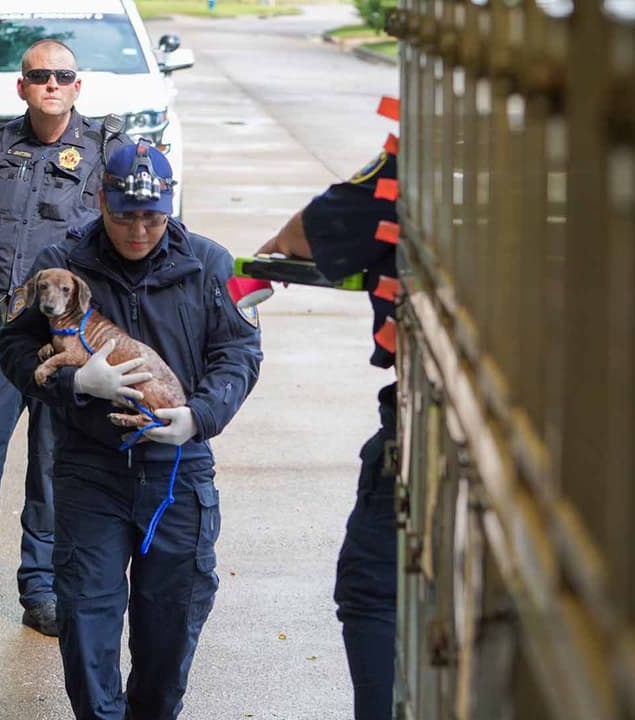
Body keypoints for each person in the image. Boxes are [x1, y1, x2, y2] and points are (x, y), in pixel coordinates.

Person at [0, 142, 263, 719]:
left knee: (172, 617)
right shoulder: (62, 262)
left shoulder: (211, 264)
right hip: (90, 468)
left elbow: (239, 354)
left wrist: (201, 416)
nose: (138, 231)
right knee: (87, 614)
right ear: (100, 202)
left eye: (151, 217)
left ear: (169, 205)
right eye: (124, 217)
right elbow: (14, 350)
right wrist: (74, 386)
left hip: (177, 470)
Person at [0, 38, 130, 637]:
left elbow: (135, 239)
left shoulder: (108, 153)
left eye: (63, 75)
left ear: (79, 86)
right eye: (39, 76)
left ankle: (43, 589)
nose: (51, 84)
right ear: (21, 87)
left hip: (67, 344)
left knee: (55, 469)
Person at [256, 146, 400, 720]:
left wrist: (278, 247)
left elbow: (309, 235)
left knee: (373, 591)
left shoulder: (421, 160)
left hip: (436, 431)